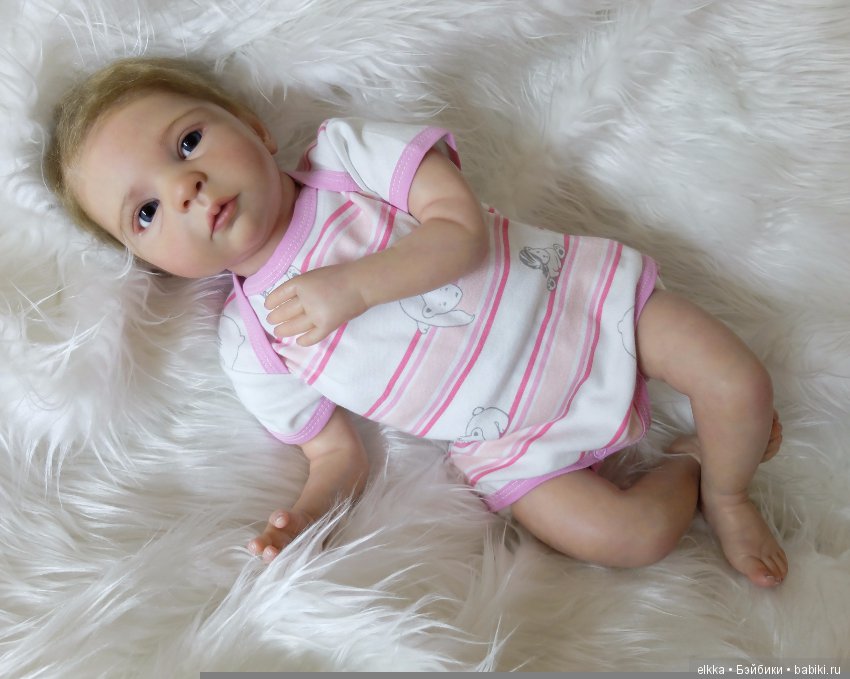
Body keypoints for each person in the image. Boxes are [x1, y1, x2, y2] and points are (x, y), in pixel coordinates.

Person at [45, 57, 787, 587]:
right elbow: (335, 455)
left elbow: (460, 229)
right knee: (630, 537)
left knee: (738, 382)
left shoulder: (346, 160)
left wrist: (354, 286)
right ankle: (693, 464)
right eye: (146, 211)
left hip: (577, 302)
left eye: (188, 143)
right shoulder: (252, 342)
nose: (184, 186)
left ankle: (729, 495)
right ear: (155, 264)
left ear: (254, 127)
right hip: (511, 437)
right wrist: (304, 517)